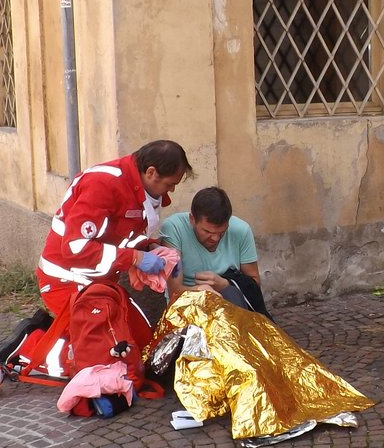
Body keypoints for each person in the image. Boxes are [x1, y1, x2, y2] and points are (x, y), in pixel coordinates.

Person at [34, 140, 189, 377]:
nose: (172, 191)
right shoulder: (103, 185)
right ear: (151, 173)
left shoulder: (136, 188)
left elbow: (119, 236)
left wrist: (153, 249)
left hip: (100, 285)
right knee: (113, 357)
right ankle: (37, 347)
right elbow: (76, 248)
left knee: (144, 347)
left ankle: (64, 334)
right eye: (170, 184)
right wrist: (135, 258)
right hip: (66, 282)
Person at [161, 186, 269, 317]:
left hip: (231, 306)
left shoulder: (241, 230)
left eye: (222, 232)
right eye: (207, 231)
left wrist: (224, 284)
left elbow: (254, 283)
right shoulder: (174, 228)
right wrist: (200, 291)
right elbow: (175, 291)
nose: (215, 238)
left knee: (231, 293)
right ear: (192, 219)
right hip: (189, 307)